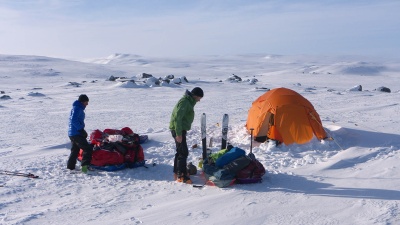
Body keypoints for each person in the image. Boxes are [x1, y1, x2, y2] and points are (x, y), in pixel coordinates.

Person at [169, 87, 204, 184]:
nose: (199, 100)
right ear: (195, 96)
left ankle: (177, 172)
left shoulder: (188, 102)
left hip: (180, 129)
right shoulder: (185, 102)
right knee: (183, 152)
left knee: (180, 151)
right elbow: (177, 118)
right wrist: (178, 134)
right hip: (178, 129)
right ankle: (182, 176)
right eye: (199, 98)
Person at [67, 94, 93, 173]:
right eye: (86, 102)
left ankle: (70, 167)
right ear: (82, 101)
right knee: (87, 149)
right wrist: (81, 129)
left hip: (73, 133)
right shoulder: (77, 108)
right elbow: (73, 120)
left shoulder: (78, 108)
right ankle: (85, 168)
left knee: (75, 150)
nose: (87, 104)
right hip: (76, 133)